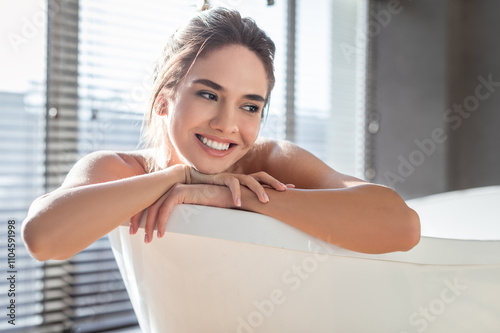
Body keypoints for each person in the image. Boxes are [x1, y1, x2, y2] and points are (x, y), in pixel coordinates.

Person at [22, 7, 420, 262]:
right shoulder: (122, 169)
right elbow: (42, 238)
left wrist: (238, 196)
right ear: (164, 100)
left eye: (250, 106)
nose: (228, 124)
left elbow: (402, 226)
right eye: (209, 94)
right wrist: (181, 178)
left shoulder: (269, 161)